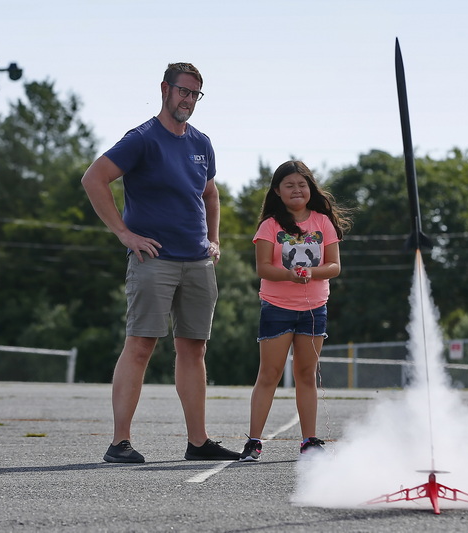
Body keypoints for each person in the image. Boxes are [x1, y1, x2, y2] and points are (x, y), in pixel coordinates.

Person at [81, 62, 239, 463]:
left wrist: (215, 240)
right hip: (154, 261)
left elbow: (210, 194)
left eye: (195, 94)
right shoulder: (142, 139)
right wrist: (125, 234)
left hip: (198, 261)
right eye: (183, 91)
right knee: (140, 346)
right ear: (165, 89)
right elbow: (93, 179)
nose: (188, 100)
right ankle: (119, 443)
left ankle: (198, 442)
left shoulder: (201, 143)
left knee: (194, 350)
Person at [239, 160, 351, 462]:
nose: (296, 190)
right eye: (289, 185)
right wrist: (290, 275)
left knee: (306, 374)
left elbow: (334, 266)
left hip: (314, 309)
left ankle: (309, 440)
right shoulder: (270, 226)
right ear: (278, 191)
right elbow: (263, 267)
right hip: (276, 308)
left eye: (302, 184)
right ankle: (253, 441)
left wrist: (312, 272)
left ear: (310, 188)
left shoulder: (323, 222)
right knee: (269, 374)